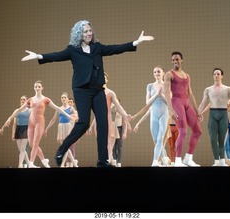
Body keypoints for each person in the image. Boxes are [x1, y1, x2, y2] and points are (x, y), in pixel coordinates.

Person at [21, 20, 154, 167]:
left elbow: (115, 48)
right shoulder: (73, 50)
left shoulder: (97, 47)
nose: (89, 33)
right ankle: (62, 149)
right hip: (81, 90)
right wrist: (39, 56)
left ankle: (102, 161)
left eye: (90, 30)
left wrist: (136, 42)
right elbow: (57, 56)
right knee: (83, 123)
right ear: (79, 34)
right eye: (85, 31)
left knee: (103, 123)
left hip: (97, 90)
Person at [2, 80, 77, 168]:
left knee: (35, 144)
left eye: (39, 87)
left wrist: (68, 115)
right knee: (31, 144)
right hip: (31, 122)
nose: (37, 88)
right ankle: (43, 160)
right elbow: (19, 110)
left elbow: (57, 108)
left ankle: (31, 163)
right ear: (34, 88)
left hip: (39, 122)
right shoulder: (30, 100)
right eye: (36, 87)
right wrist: (9, 118)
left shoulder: (45, 99)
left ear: (42, 88)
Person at [198, 68, 230, 166]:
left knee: (222, 140)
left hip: (223, 115)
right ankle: (216, 161)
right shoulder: (208, 89)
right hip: (213, 115)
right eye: (214, 74)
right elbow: (203, 103)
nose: (216, 76)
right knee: (213, 139)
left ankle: (222, 160)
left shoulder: (227, 89)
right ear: (213, 76)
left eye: (218, 74)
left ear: (222, 76)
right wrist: (198, 113)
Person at [163, 51, 202, 167]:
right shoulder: (169, 75)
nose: (175, 62)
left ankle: (188, 158)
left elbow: (191, 94)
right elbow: (166, 93)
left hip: (186, 103)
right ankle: (178, 161)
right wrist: (171, 110)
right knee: (183, 132)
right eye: (173, 60)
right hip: (176, 102)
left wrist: (197, 110)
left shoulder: (187, 75)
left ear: (181, 60)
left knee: (197, 131)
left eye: (177, 59)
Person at [88, 72, 131, 166]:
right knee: (102, 144)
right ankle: (106, 161)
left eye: (104, 77)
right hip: (99, 120)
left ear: (107, 80)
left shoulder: (111, 93)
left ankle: (108, 161)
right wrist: (90, 126)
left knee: (109, 144)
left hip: (108, 119)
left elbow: (118, 106)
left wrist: (125, 115)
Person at [133, 65, 170, 167]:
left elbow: (169, 101)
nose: (156, 74)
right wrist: (156, 94)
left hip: (164, 113)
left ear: (163, 73)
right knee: (155, 139)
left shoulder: (167, 85)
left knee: (160, 138)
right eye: (155, 72)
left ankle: (154, 161)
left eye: (158, 72)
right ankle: (164, 159)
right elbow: (147, 102)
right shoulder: (149, 86)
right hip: (154, 113)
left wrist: (161, 95)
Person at [201, 99, 230, 166]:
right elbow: (209, 106)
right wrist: (201, 113)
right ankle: (224, 160)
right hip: (223, 125)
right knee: (223, 145)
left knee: (229, 146)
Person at [44, 92, 79, 168]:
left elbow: (76, 116)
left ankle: (63, 164)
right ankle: (74, 163)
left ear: (67, 99)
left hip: (68, 126)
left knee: (66, 146)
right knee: (64, 146)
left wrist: (74, 117)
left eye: (64, 97)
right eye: (62, 97)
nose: (63, 99)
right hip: (61, 127)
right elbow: (53, 119)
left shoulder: (71, 108)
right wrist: (47, 128)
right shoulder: (59, 109)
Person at [10, 95, 31, 168]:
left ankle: (20, 165)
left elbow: (32, 122)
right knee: (21, 149)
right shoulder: (17, 110)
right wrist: (13, 133)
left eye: (24, 99)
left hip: (26, 129)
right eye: (21, 99)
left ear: (27, 101)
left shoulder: (29, 110)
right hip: (18, 129)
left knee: (22, 149)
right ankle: (28, 163)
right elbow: (14, 124)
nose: (22, 100)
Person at [112, 99, 128, 167]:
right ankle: (114, 160)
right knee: (113, 146)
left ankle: (119, 162)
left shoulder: (122, 110)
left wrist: (125, 132)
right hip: (112, 128)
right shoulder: (111, 110)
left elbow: (125, 122)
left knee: (119, 146)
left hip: (119, 128)